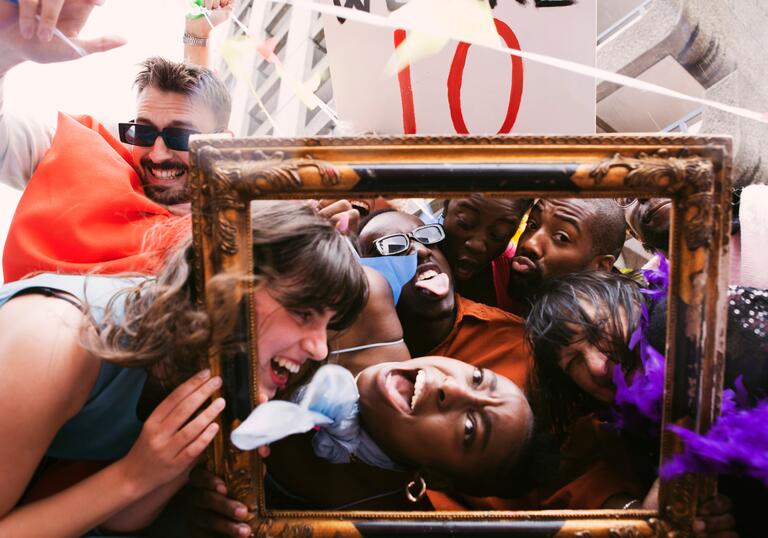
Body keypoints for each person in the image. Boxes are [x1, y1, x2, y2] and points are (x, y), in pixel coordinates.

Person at [0, 201, 367, 536]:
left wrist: (173, 467)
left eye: (329, 326)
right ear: (231, 283)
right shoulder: (51, 342)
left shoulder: (202, 367)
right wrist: (132, 475)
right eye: (303, 313)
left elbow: (119, 521)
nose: (319, 349)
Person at [0, 0, 233, 281]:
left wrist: (197, 38)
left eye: (180, 137)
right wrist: (4, 55)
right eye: (144, 133)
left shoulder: (236, 222)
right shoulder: (80, 148)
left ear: (221, 144)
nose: (157, 154)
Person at [526, 269, 765, 536]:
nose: (597, 366)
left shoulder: (681, 322)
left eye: (596, 331)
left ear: (628, 299)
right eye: (574, 362)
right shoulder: (633, 429)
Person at [500, 198, 627, 316]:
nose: (530, 244)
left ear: (600, 268)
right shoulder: (491, 265)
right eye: (532, 225)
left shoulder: (604, 331)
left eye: (562, 238)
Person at [440, 195, 532, 307]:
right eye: (465, 222)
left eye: (498, 234)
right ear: (446, 204)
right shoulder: (416, 256)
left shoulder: (514, 272)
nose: (476, 246)